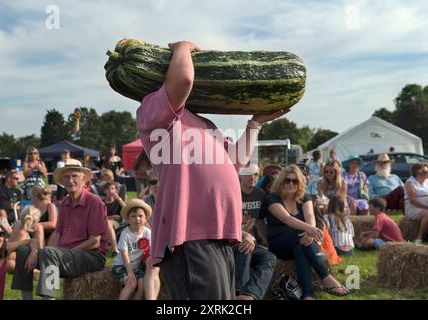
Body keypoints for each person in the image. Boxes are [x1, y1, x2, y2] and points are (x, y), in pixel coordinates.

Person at [136, 40, 289, 299]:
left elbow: (235, 161)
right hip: (190, 237)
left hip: (217, 233)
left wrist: (255, 124)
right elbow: (184, 79)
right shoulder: (152, 111)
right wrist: (182, 47)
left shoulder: (203, 122)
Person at [11, 164, 108, 299]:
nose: (70, 180)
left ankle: (49, 297)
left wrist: (64, 253)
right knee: (23, 252)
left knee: (50, 253)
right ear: (62, 182)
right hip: (64, 256)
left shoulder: (95, 202)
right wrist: (39, 252)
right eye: (66, 177)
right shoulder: (64, 202)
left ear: (84, 179)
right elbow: (57, 233)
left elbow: (95, 241)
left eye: (74, 176)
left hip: (90, 257)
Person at [265, 165, 349, 299]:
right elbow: (287, 219)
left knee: (300, 248)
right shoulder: (272, 198)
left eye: (295, 181)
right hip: (279, 243)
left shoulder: (304, 197)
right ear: (281, 182)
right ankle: (325, 277)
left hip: (301, 240)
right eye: (287, 180)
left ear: (300, 182)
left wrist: (310, 234)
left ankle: (307, 294)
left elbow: (310, 216)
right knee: (300, 239)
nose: (291, 184)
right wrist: (311, 230)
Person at [235, 164, 277, 300]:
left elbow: (259, 221)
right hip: (230, 241)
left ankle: (251, 294)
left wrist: (266, 243)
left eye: (256, 174)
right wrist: (245, 235)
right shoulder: (231, 192)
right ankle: (239, 292)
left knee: (269, 257)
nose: (253, 177)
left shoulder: (260, 194)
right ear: (240, 174)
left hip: (250, 240)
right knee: (246, 248)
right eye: (249, 173)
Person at [111, 199, 160, 300]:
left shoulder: (147, 233)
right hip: (122, 266)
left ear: (146, 218)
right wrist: (130, 272)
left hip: (136, 267)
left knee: (141, 285)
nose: (137, 219)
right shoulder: (125, 234)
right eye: (133, 216)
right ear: (128, 219)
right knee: (131, 284)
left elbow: (151, 251)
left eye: (140, 216)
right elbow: (124, 255)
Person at [7, 205, 45, 272]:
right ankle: (36, 270)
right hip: (14, 258)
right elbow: (10, 252)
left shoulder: (18, 224)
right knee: (9, 264)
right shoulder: (21, 231)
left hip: (12, 256)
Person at [403, 163, 428, 244]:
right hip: (414, 208)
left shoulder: (427, 182)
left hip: (425, 207)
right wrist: (426, 207)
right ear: (418, 172)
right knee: (427, 214)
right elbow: (413, 201)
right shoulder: (410, 183)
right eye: (425, 171)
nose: (427, 173)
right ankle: (419, 237)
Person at [103, 181, 126, 255]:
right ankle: (114, 248)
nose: (110, 191)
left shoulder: (118, 202)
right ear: (104, 191)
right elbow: (98, 216)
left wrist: (118, 199)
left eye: (112, 188)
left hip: (118, 223)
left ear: (116, 190)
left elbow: (127, 210)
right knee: (108, 222)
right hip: (103, 222)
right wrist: (110, 217)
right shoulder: (101, 203)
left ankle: (114, 248)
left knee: (108, 223)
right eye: (108, 189)